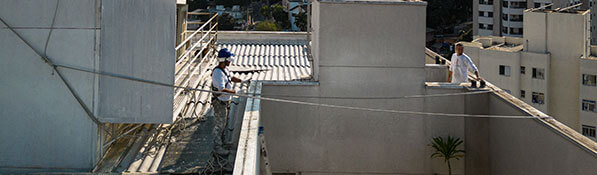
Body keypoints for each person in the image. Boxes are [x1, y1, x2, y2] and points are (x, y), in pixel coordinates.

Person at [211, 48, 245, 155]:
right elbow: (221, 89)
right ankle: (217, 147)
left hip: (226, 101)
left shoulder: (225, 69)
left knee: (224, 123)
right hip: (220, 102)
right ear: (223, 60)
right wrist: (234, 92)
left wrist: (241, 81)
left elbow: (231, 78)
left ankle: (223, 142)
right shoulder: (217, 73)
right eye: (229, 59)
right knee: (219, 125)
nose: (230, 61)